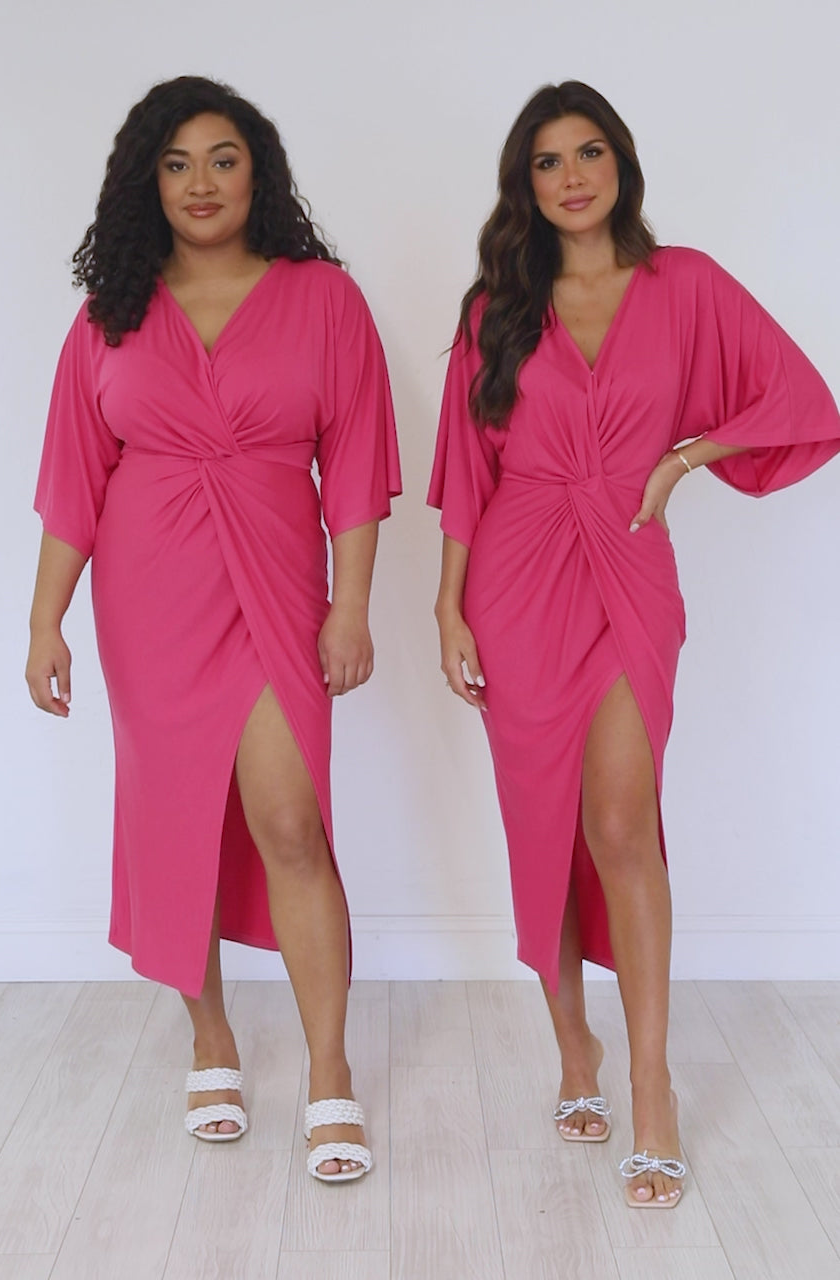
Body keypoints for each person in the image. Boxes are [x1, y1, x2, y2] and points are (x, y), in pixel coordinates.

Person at [428, 80, 840, 1208]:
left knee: (619, 818)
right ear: (525, 184)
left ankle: (650, 1084)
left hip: (630, 568)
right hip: (516, 579)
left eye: (589, 152)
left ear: (621, 163)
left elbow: (804, 398)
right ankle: (575, 1045)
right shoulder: (497, 307)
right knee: (543, 824)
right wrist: (449, 607)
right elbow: (466, 470)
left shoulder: (685, 284)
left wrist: (685, 456)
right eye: (548, 161)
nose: (572, 177)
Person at [26, 75, 401, 1183]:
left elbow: (359, 467)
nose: (201, 182)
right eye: (178, 162)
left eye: (224, 159)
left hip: (279, 585)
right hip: (149, 597)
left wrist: (350, 604)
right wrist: (45, 621)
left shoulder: (324, 299)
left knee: (291, 820)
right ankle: (211, 1038)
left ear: (258, 174)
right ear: (147, 180)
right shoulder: (111, 313)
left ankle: (329, 1068)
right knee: (176, 818)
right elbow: (73, 481)